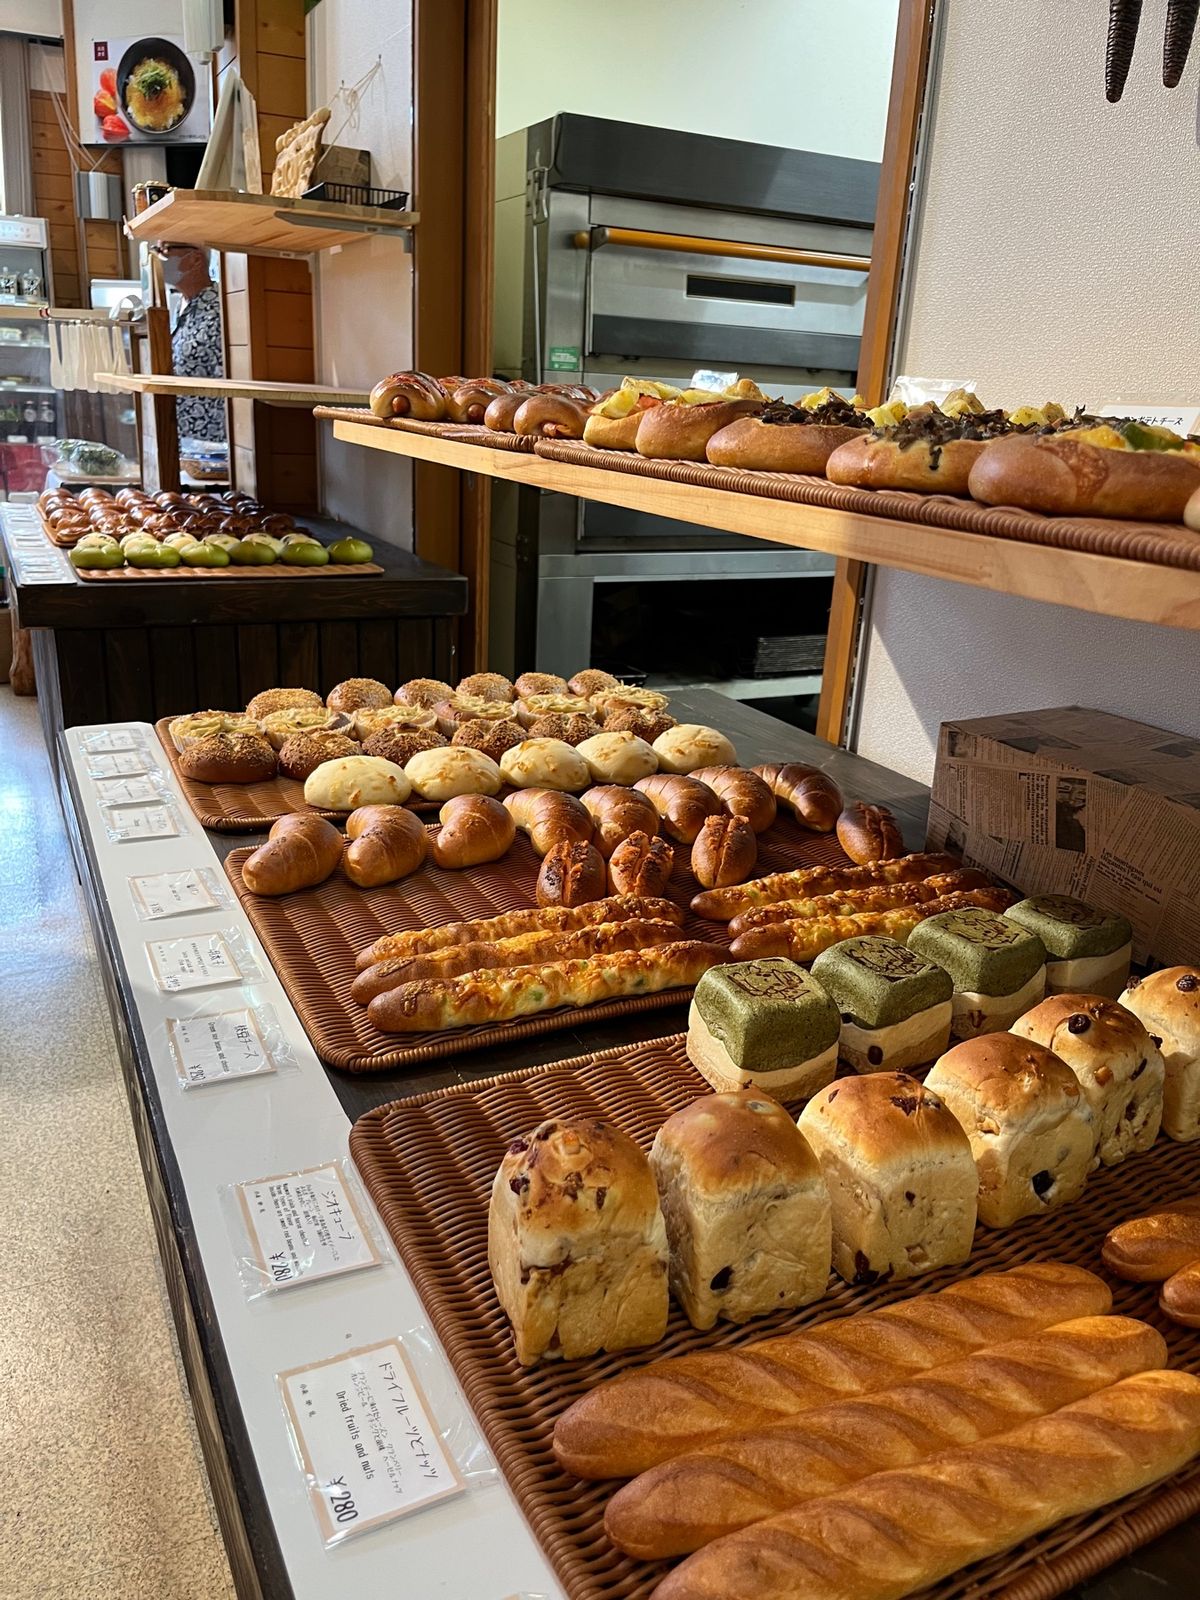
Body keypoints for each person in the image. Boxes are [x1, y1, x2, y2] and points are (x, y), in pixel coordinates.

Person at [158, 242, 226, 443]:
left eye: (165, 250)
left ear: (195, 259)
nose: (159, 258)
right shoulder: (181, 306)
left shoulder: (221, 309)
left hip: (211, 443)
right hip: (182, 440)